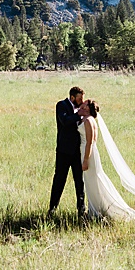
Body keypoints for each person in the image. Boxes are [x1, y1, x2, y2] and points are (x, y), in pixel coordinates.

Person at [50, 87, 87, 216]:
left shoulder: (80, 109)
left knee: (79, 180)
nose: (81, 101)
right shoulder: (62, 105)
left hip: (77, 151)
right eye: (79, 98)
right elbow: (65, 121)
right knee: (59, 179)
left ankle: (81, 209)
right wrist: (78, 114)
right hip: (64, 151)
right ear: (72, 97)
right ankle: (52, 208)